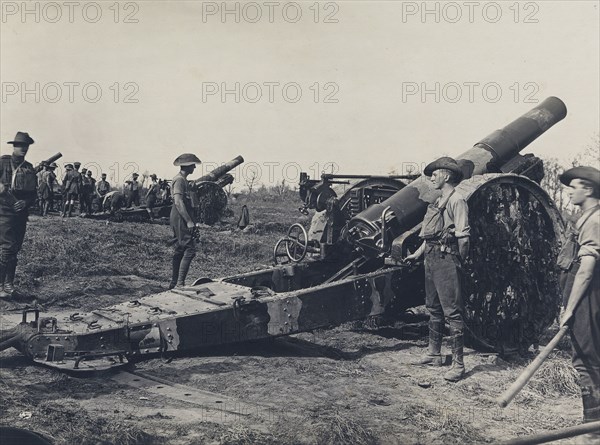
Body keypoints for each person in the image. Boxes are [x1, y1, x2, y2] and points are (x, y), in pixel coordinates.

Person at [405, 157, 470, 382]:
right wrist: (418, 253)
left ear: (447, 176)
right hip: (431, 257)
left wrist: (457, 260)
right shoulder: (438, 200)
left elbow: (463, 236)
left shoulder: (457, 200)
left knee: (452, 311)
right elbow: (431, 235)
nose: (431, 177)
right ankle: (434, 353)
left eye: (435, 174)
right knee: (433, 308)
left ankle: (459, 365)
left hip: (446, 259)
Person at [558, 166, 600, 440]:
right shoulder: (586, 218)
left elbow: (585, 270)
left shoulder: (595, 221)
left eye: (574, 186)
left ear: (588, 189)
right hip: (586, 296)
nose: (570, 191)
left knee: (586, 360)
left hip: (588, 298)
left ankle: (592, 430)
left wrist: (570, 308)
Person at [0, 132, 37, 298]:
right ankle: (1, 285)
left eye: (26, 146)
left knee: (15, 248)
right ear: (14, 146)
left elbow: (34, 194)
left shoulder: (28, 167)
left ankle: (8, 285)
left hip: (20, 214)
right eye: (20, 145)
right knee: (7, 248)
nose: (23, 149)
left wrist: (26, 203)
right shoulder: (3, 162)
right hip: (4, 212)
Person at [169, 153, 201, 289]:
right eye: (192, 165)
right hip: (180, 216)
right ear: (187, 166)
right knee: (189, 249)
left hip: (180, 215)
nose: (194, 167)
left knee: (180, 248)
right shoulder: (180, 180)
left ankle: (174, 283)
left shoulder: (184, 180)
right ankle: (180, 284)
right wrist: (188, 221)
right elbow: (178, 201)